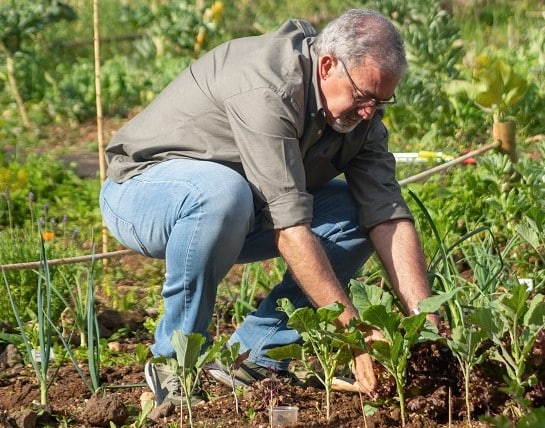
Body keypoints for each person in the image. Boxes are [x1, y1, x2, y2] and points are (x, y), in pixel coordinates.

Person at [99, 8, 439, 406]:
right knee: (223, 193)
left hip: (238, 208)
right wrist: (355, 334)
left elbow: (388, 217)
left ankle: (253, 358)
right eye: (363, 97)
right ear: (327, 65)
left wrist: (426, 325)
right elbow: (290, 229)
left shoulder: (362, 120)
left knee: (354, 213)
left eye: (381, 101)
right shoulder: (269, 86)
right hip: (144, 192)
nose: (369, 112)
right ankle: (175, 361)